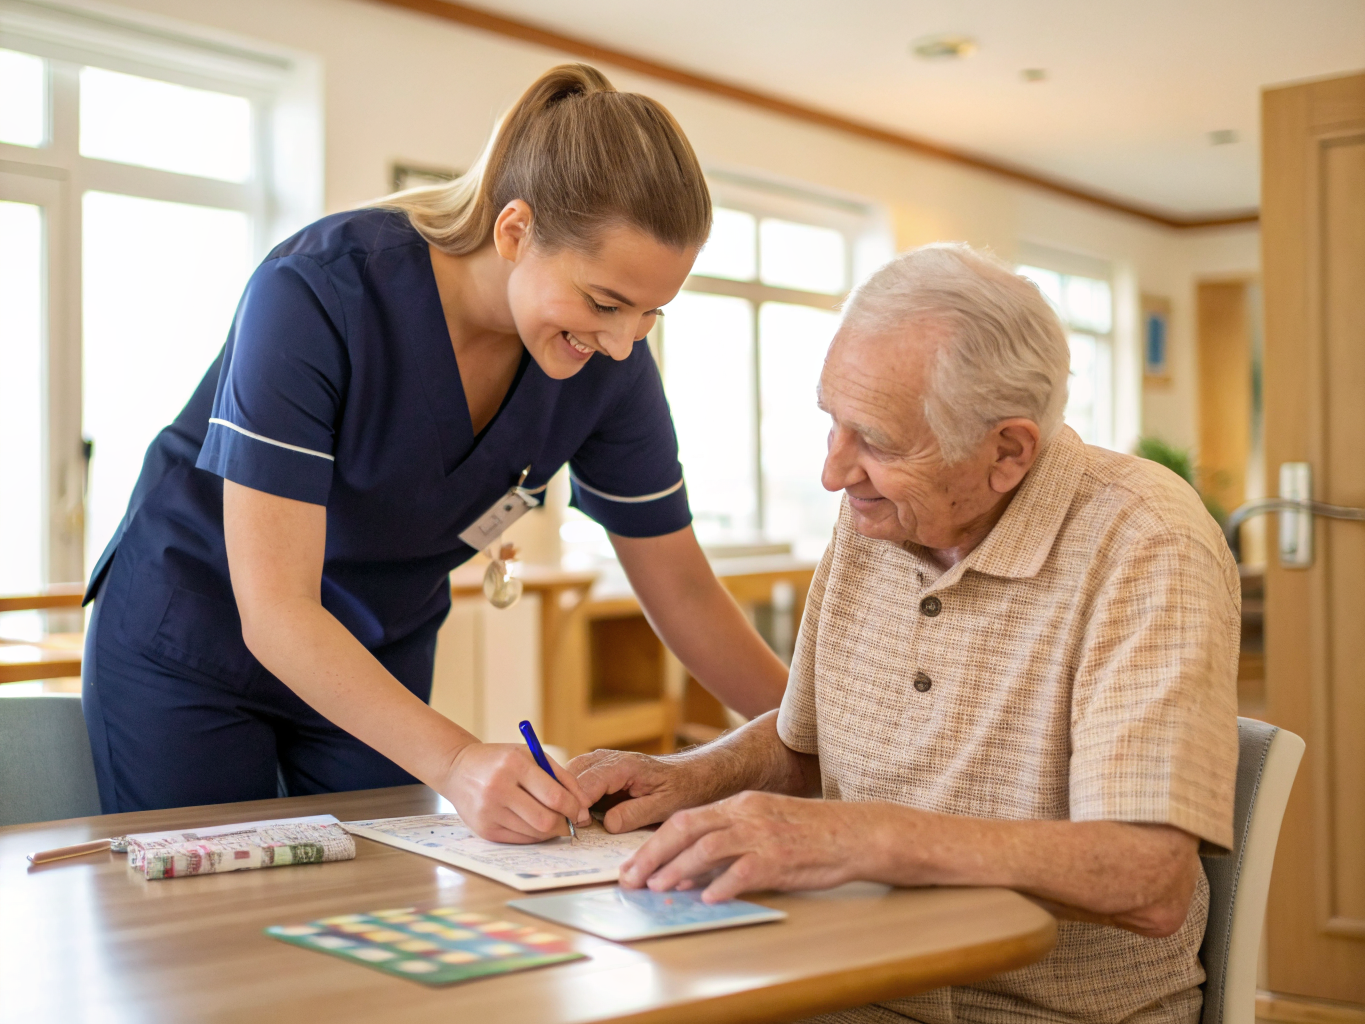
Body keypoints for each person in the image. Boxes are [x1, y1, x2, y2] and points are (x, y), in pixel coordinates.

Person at [80, 63, 789, 841]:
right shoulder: (318, 290)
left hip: (371, 656)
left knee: (374, 913)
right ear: (515, 231)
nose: (622, 343)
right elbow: (276, 609)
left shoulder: (607, 369)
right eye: (603, 302)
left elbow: (682, 589)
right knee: (210, 922)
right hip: (197, 633)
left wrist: (819, 738)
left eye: (651, 313)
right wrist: (455, 764)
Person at [572, 244, 1240, 1024]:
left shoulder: (1146, 543)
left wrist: (865, 837)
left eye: (878, 442)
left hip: (1032, 1010)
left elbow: (1146, 879)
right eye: (832, 423)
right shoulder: (876, 516)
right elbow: (805, 744)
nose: (834, 472)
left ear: (1007, 450)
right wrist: (687, 777)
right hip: (846, 976)